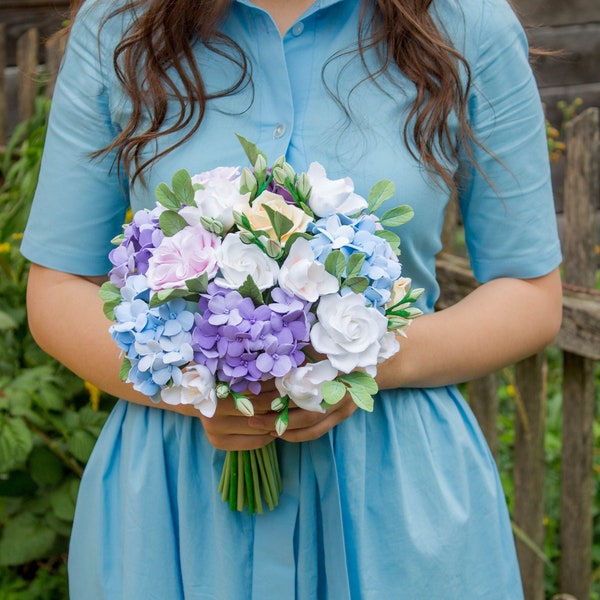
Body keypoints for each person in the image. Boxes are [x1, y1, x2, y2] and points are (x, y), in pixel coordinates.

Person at [22, 0, 563, 597]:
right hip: (176, 495)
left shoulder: (468, 22)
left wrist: (360, 358)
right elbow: (56, 289)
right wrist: (194, 390)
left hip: (393, 492)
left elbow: (529, 293)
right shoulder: (121, 22)